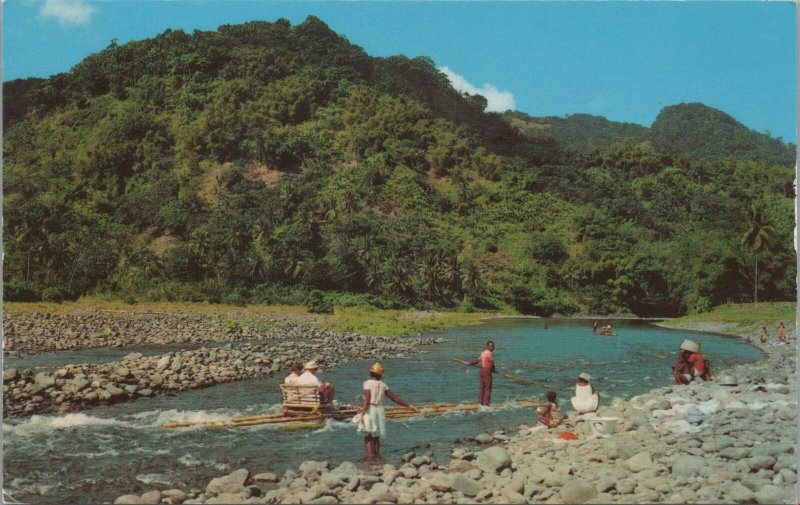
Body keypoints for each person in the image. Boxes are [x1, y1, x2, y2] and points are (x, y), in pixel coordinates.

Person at [358, 362, 417, 458]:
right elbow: (394, 398)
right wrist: (408, 405)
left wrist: (362, 413)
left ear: (371, 373)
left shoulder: (367, 383)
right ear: (380, 375)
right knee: (376, 436)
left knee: (368, 435)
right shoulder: (383, 385)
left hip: (371, 409)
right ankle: (377, 456)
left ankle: (370, 457)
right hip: (380, 409)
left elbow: (367, 399)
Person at [469, 341, 496, 406]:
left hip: (482, 371)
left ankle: (481, 402)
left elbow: (477, 361)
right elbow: (492, 363)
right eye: (491, 346)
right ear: (487, 346)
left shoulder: (483, 353)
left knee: (482, 386)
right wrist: (493, 370)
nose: (492, 347)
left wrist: (471, 363)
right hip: (487, 371)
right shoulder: (489, 353)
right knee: (487, 387)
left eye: (493, 346)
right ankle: (486, 403)